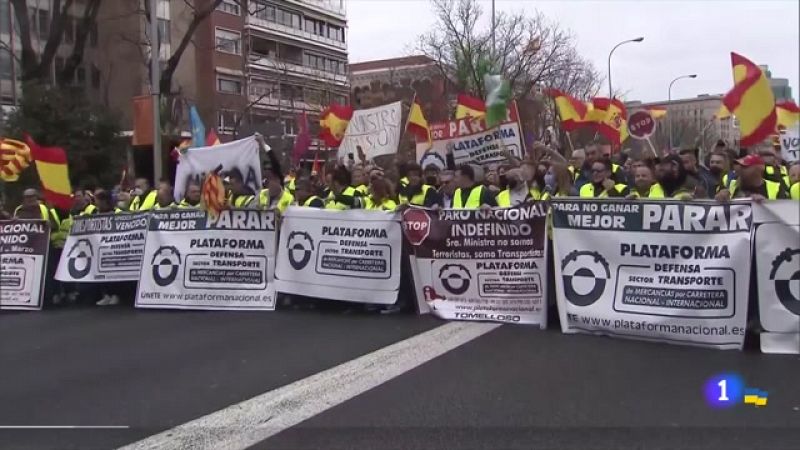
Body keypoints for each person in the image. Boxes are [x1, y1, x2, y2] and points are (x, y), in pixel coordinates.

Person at [716, 155, 787, 201]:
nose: (739, 169)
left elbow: (784, 213)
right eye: (739, 166)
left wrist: (765, 204)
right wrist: (719, 198)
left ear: (758, 170)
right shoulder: (730, 185)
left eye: (744, 167)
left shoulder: (777, 189)